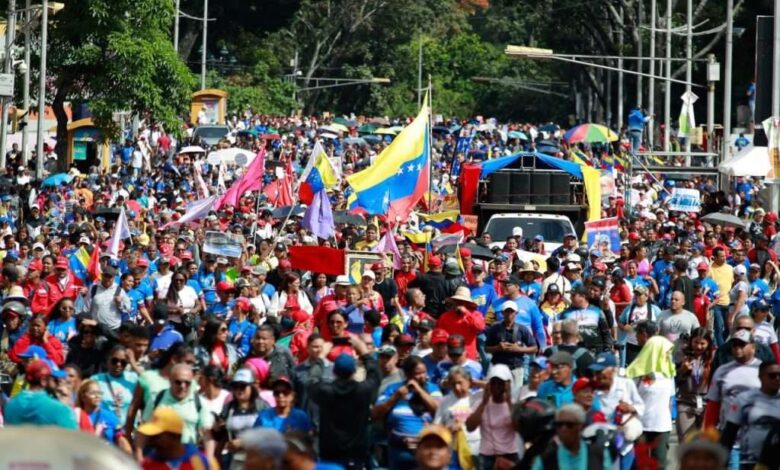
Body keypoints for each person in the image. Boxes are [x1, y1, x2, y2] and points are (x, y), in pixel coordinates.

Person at [310, 336, 380, 470]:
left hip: (330, 453)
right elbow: (375, 375)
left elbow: (312, 380)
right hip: (356, 454)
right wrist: (364, 352)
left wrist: (321, 357)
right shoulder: (363, 391)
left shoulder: (326, 391)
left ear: (334, 371)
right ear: (354, 371)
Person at [373, 355, 443, 470]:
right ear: (407, 374)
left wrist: (420, 391)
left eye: (424, 372)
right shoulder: (393, 389)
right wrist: (395, 397)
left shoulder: (433, 389)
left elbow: (438, 410)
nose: (423, 377)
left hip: (426, 453)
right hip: (398, 453)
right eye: (418, 373)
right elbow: (375, 414)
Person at [626, 335, 676, 469]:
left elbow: (670, 400)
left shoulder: (669, 373)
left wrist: (669, 420)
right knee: (640, 465)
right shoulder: (636, 372)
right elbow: (628, 398)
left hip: (661, 427)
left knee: (659, 464)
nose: (668, 355)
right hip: (640, 426)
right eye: (665, 351)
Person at [590, 352, 645, 470]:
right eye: (596, 372)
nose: (597, 376)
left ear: (613, 371)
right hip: (603, 445)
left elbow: (641, 407)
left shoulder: (626, 384)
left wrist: (630, 408)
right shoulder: (592, 391)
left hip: (625, 445)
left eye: (601, 371)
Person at [720, 361, 780, 469]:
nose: (777, 378)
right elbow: (729, 433)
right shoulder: (744, 399)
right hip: (750, 461)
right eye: (772, 375)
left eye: (779, 375)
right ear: (760, 377)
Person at [465, 364, 519, 470]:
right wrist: (484, 402)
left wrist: (508, 400)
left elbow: (519, 427)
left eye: (500, 383)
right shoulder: (480, 403)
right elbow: (470, 427)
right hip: (486, 456)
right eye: (493, 383)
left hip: (509, 454)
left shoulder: (514, 405)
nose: (496, 387)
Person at [215, 368, 269, 470]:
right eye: (235, 386)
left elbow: (269, 433)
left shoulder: (262, 407)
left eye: (243, 386)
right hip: (236, 460)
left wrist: (244, 442)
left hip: (258, 459)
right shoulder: (228, 407)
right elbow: (222, 436)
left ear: (251, 387)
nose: (239, 390)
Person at [531, 404, 612, 470]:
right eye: (559, 425)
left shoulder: (600, 455)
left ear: (581, 427)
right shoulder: (545, 460)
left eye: (569, 425)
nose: (563, 429)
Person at [137, 407, 219, 470]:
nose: (152, 440)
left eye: (157, 435)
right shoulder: (147, 465)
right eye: (151, 435)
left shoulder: (203, 462)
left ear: (174, 436)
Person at [3, 359, 76, 428]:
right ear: (43, 381)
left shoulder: (10, 406)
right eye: (56, 380)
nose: (60, 383)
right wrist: (68, 407)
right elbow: (73, 436)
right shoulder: (60, 409)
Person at [434, 366, 481, 469]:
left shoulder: (478, 399)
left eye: (460, 383)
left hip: (475, 451)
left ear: (468, 381)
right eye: (453, 384)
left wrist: (477, 383)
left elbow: (504, 389)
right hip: (453, 454)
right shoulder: (445, 401)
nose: (457, 387)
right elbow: (437, 429)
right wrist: (449, 429)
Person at [484, 301, 537, 388]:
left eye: (511, 312)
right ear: (502, 313)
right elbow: (486, 348)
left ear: (516, 313)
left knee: (515, 397)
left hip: (516, 368)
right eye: (507, 311)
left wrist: (518, 349)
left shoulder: (522, 329)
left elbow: (534, 348)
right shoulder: (495, 328)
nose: (509, 314)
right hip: (497, 366)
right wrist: (498, 348)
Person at [675, 328, 715, 441]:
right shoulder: (681, 355)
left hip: (706, 404)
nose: (698, 347)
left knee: (706, 443)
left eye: (702, 344)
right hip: (685, 403)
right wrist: (682, 370)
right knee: (686, 442)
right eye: (696, 342)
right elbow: (673, 381)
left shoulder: (713, 357)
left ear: (708, 343)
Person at [75, 379, 133, 452]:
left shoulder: (109, 416)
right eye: (93, 393)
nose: (97, 396)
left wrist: (129, 457)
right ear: (83, 397)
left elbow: (122, 441)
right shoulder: (77, 415)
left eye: (99, 393)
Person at [91, 344, 139, 425]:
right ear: (108, 359)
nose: (118, 364)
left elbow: (151, 385)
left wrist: (134, 364)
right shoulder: (96, 379)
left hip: (128, 429)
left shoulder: (133, 378)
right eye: (114, 361)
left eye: (123, 362)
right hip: (105, 429)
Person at [437, 287, 486, 361]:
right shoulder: (445, 316)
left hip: (469, 357)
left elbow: (480, 327)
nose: (459, 304)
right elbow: (440, 336)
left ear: (467, 303)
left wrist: (466, 313)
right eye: (457, 301)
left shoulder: (475, 315)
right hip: (450, 357)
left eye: (462, 301)